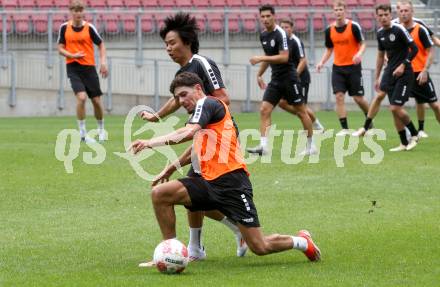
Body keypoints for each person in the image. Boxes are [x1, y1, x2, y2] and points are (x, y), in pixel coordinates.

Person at [130, 72, 321, 262]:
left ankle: (302, 241)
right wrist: (171, 168)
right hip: (208, 182)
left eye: (183, 95)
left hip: (232, 183)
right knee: (160, 194)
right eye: (177, 98)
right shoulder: (204, 112)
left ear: (198, 89)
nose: (180, 101)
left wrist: (150, 142)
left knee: (260, 246)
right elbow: (196, 146)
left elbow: (189, 132)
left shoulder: (208, 103)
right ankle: (169, 253)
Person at [137, 13, 247, 267]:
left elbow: (223, 98)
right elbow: (176, 100)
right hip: (201, 135)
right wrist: (156, 116)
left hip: (218, 136)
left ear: (186, 41)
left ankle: (237, 230)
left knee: (197, 192)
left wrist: (203, 113)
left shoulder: (201, 63)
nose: (168, 48)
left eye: (172, 43)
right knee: (191, 192)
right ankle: (197, 246)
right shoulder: (184, 72)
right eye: (166, 44)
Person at [247, 5, 316, 156]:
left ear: (274, 16)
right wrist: (259, 74)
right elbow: (269, 56)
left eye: (268, 16)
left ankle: (312, 146)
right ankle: (264, 147)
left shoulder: (281, 34)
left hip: (289, 78)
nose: (265, 19)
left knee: (301, 112)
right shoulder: (264, 35)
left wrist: (260, 58)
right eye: (262, 17)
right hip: (276, 79)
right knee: (264, 109)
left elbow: (284, 57)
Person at [353, 4, 419, 152]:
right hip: (389, 72)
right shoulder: (380, 33)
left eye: (386, 14)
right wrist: (377, 77)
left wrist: (403, 65)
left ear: (391, 15)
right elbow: (380, 55)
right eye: (380, 15)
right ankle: (402, 142)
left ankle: (414, 133)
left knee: (395, 108)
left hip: (404, 72)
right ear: (377, 17)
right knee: (383, 100)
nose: (383, 17)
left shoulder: (399, 29)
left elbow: (414, 49)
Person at [316, 0, 370, 136]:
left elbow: (363, 44)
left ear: (345, 11)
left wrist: (359, 53)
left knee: (358, 98)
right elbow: (329, 49)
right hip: (338, 68)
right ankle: (345, 129)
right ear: (333, 12)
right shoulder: (329, 30)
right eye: (336, 10)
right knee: (339, 97)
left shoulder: (354, 26)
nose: (338, 12)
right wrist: (321, 62)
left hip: (354, 67)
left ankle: (369, 122)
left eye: (341, 9)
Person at [57, 0, 108, 143]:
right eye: (75, 10)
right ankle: (83, 134)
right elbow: (60, 48)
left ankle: (101, 130)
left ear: (83, 12)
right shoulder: (64, 28)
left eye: (80, 10)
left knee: (96, 101)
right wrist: (71, 55)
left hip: (89, 68)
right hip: (73, 67)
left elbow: (101, 44)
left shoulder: (89, 28)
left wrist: (103, 62)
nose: (78, 13)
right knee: (81, 98)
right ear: (71, 11)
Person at [396, 0, 440, 138]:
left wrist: (425, 69)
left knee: (434, 106)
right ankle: (409, 133)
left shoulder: (419, 26)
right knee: (396, 106)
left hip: (420, 72)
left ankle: (419, 130)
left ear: (412, 11)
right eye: (400, 10)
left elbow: (432, 43)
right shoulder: (394, 27)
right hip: (404, 74)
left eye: (406, 10)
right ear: (397, 11)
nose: (403, 13)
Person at [279, 19, 324, 133]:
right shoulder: (281, 41)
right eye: (282, 27)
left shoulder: (296, 41)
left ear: (292, 28)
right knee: (282, 103)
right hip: (288, 78)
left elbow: (303, 61)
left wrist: (295, 75)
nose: (284, 30)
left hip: (300, 78)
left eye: (287, 27)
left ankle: (317, 125)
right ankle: (306, 118)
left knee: (302, 106)